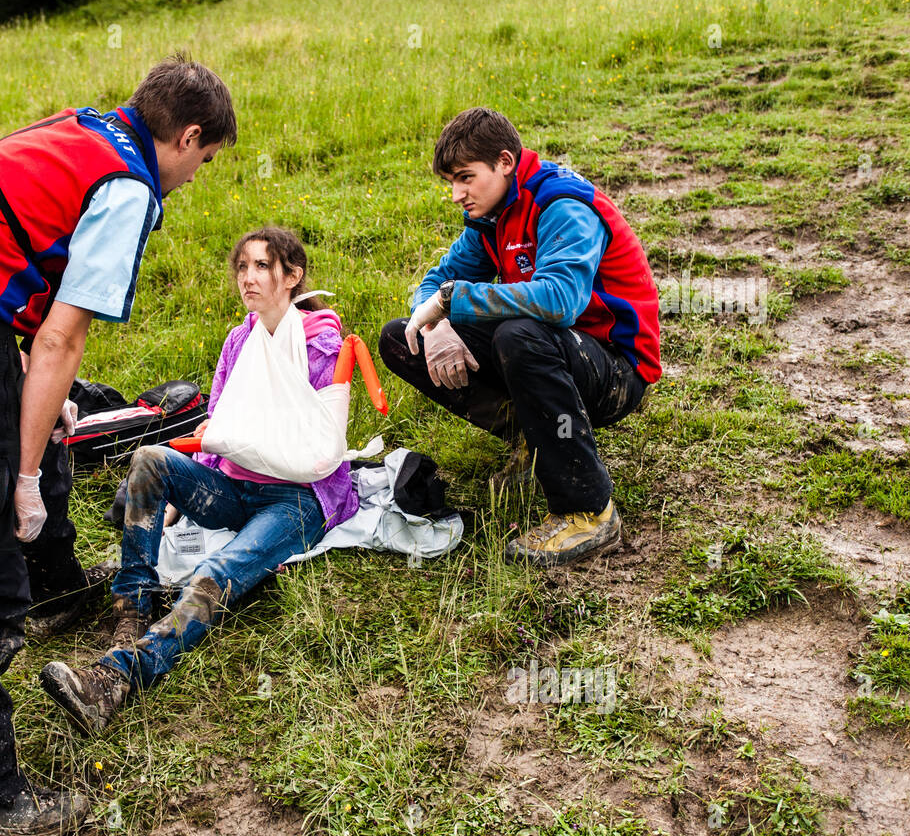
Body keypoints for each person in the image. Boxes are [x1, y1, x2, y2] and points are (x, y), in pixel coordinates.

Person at [0, 54, 236, 836]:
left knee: (56, 428)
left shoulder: (92, 129)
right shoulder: (131, 186)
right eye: (203, 163)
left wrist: (39, 418)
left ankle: (59, 591)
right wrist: (25, 471)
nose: (196, 178)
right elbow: (62, 337)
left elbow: (25, 280)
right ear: (188, 137)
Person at [40, 227, 359, 735]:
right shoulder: (239, 341)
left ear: (292, 276)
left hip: (297, 499)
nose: (247, 278)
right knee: (149, 457)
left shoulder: (322, 339)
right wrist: (178, 501)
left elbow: (310, 438)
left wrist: (228, 436)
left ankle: (118, 678)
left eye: (261, 266)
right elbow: (217, 429)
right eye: (242, 267)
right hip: (235, 488)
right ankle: (132, 604)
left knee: (217, 569)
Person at [378, 107, 660, 567]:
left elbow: (561, 301)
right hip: (558, 354)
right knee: (401, 338)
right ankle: (537, 440)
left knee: (520, 334)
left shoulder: (562, 204)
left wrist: (452, 301)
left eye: (465, 178)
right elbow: (435, 282)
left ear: (505, 162)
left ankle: (588, 510)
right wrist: (437, 323)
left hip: (614, 372)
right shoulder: (492, 216)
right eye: (451, 181)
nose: (456, 195)